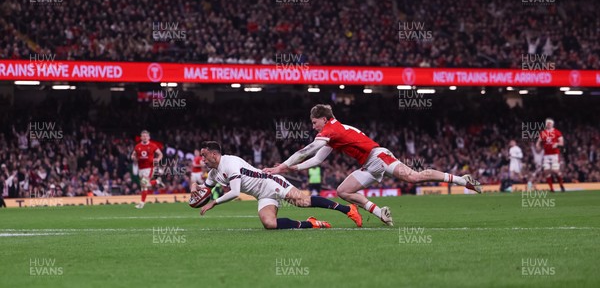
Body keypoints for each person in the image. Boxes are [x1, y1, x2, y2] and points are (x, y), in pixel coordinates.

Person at [264, 104, 482, 226]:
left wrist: (281, 167)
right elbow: (318, 159)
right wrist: (295, 168)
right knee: (343, 191)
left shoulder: (331, 129)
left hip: (378, 156)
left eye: (314, 122)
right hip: (368, 165)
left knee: (413, 177)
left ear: (322, 119)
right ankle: (381, 212)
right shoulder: (333, 132)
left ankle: (464, 180)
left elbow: (308, 150)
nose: (313, 127)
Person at [196, 141, 362, 229]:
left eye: (204, 155)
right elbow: (205, 189)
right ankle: (310, 223)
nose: (202, 159)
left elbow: (235, 192)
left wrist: (213, 203)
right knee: (269, 223)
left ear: (214, 154)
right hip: (262, 195)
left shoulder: (229, 163)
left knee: (303, 201)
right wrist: (196, 194)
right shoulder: (213, 173)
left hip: (270, 182)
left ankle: (348, 209)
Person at [131, 130, 164, 208]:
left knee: (144, 183)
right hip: (140, 169)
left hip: (149, 168)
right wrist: (134, 158)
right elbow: (133, 155)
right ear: (141, 137)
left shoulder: (153, 145)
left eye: (146, 136)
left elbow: (160, 154)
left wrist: (158, 160)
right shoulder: (137, 146)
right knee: (144, 186)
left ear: (149, 137)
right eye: (143, 136)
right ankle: (157, 181)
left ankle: (142, 203)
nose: (145, 137)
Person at [536, 118, 565, 192]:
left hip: (555, 154)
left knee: (555, 171)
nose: (548, 124)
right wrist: (538, 146)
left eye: (550, 123)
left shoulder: (557, 132)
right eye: (547, 123)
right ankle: (551, 189)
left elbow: (562, 143)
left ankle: (561, 184)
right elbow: (538, 141)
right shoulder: (543, 132)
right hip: (546, 155)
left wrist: (557, 144)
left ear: (552, 124)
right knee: (546, 171)